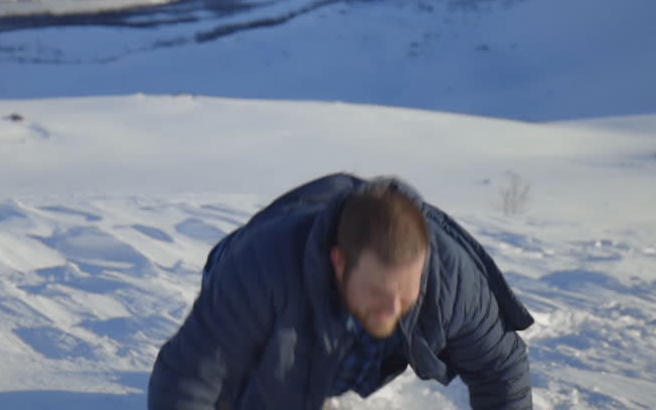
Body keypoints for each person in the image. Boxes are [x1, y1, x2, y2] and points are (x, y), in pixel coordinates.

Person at [148, 173, 534, 410]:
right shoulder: (260, 270)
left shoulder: (452, 282)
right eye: (377, 293)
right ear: (338, 262)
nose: (392, 308)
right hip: (267, 307)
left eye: (405, 293)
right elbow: (188, 377)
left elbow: (501, 370)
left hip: (346, 341)